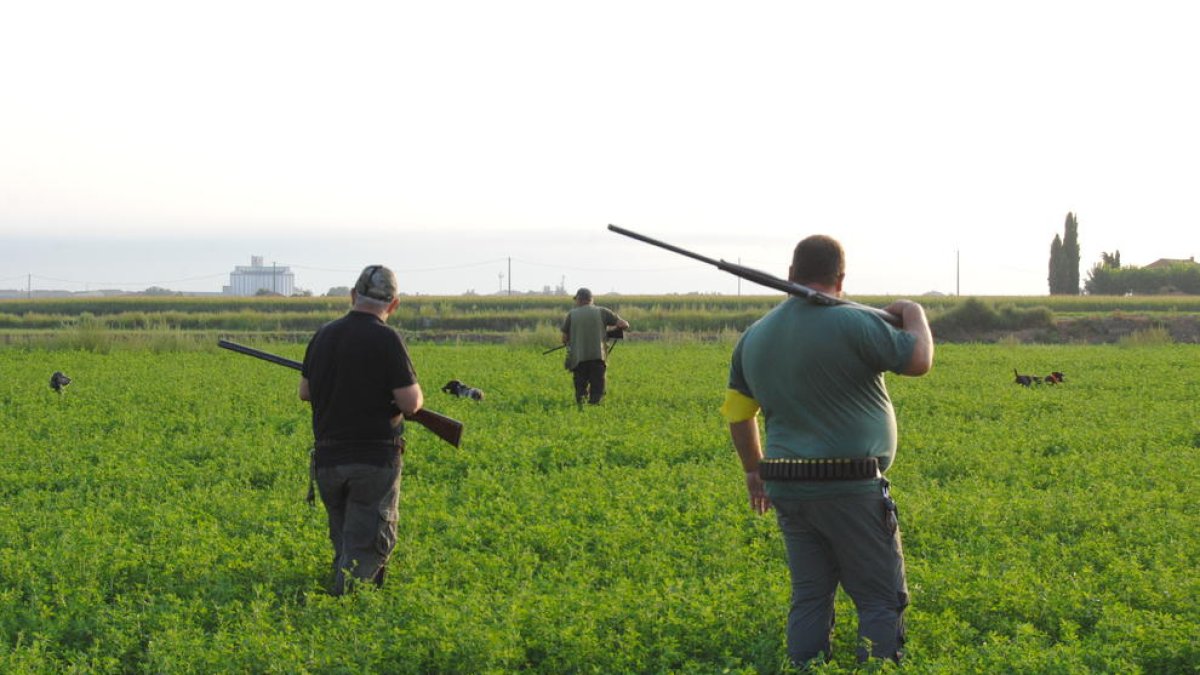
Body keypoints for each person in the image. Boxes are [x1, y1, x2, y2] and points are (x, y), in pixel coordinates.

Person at [720, 235, 933, 666]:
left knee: (810, 596)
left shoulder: (754, 337)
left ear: (791, 275)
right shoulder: (854, 321)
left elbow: (739, 414)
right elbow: (919, 361)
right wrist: (914, 312)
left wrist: (752, 471)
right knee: (879, 600)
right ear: (841, 278)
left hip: (787, 486)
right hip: (850, 486)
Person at [299, 264, 424, 595]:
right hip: (372, 461)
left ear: (353, 295)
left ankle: (349, 605)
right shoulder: (386, 339)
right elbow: (411, 404)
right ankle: (345, 618)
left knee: (346, 543)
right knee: (365, 548)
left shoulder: (324, 334)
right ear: (394, 304)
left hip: (328, 460)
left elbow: (305, 392)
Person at [560, 287, 630, 406]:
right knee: (597, 390)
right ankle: (594, 409)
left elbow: (564, 339)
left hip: (578, 359)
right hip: (598, 357)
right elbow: (624, 325)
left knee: (580, 391)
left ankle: (581, 410)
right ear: (591, 299)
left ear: (579, 300)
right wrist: (607, 333)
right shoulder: (602, 311)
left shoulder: (571, 314)